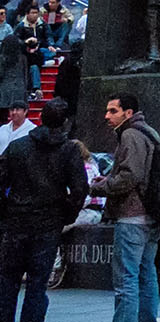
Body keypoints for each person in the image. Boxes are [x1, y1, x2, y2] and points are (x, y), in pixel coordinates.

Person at [0, 96, 86, 322]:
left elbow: (1, 181)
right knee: (38, 284)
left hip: (16, 220)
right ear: (65, 121)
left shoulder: (17, 147)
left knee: (7, 281)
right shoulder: (68, 150)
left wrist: (5, 211)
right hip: (48, 222)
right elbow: (79, 189)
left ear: (39, 117)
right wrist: (66, 215)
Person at [96, 92, 160, 322]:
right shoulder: (149, 132)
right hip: (152, 214)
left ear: (129, 113)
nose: (107, 116)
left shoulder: (130, 135)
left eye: (113, 111)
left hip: (133, 215)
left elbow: (129, 177)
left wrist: (103, 187)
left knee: (126, 279)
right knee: (146, 275)